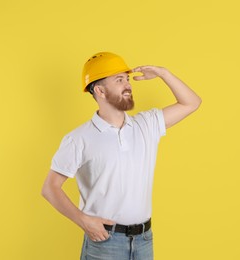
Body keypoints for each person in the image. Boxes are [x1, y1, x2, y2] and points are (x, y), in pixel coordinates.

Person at [41, 52, 202, 260]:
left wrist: (163, 73)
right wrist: (83, 220)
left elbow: (192, 103)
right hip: (105, 242)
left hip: (144, 240)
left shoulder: (147, 124)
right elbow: (50, 188)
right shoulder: (79, 138)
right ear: (100, 91)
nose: (128, 84)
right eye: (119, 80)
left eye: (127, 79)